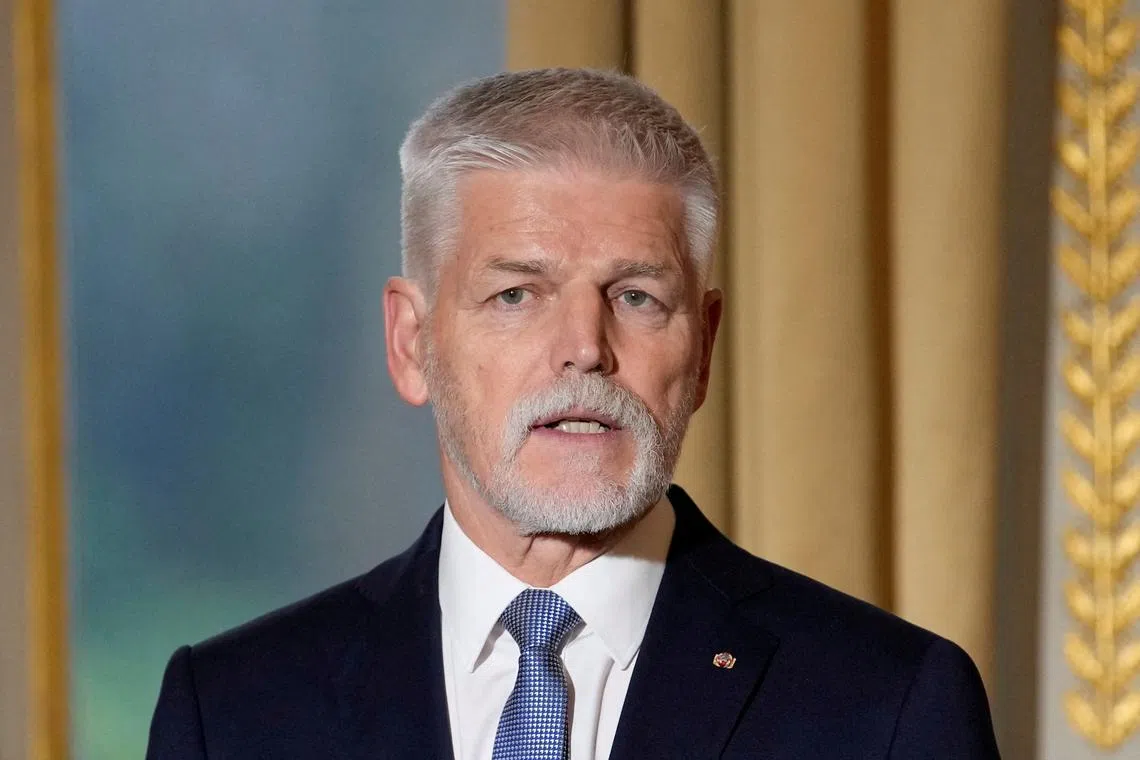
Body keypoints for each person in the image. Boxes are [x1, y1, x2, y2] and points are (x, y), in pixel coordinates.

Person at [146, 68, 1000, 759]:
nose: (584, 348)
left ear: (701, 348)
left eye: (635, 296)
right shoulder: (231, 715)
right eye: (516, 294)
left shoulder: (888, 708)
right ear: (411, 343)